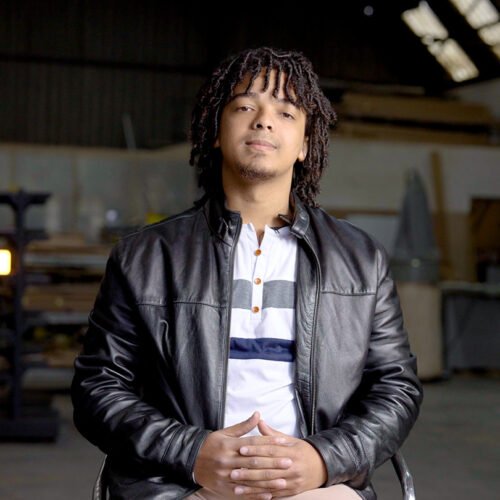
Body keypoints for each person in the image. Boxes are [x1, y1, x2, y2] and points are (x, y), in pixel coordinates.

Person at [71, 46, 423, 500]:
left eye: (286, 112)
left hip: (315, 486)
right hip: (181, 484)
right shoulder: (146, 256)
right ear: (216, 132)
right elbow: (98, 386)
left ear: (305, 145)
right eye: (244, 107)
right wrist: (192, 452)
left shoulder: (360, 259)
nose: (263, 121)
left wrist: (323, 459)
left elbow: (395, 387)